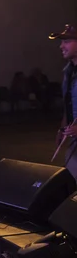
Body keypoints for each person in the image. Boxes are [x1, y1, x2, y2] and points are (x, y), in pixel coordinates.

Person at [50, 24, 77, 180]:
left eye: (66, 41)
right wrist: (62, 129)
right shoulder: (68, 72)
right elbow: (69, 105)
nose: (61, 46)